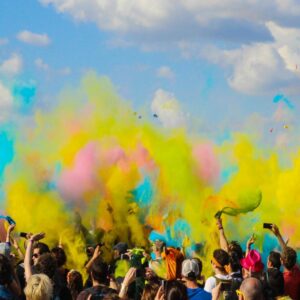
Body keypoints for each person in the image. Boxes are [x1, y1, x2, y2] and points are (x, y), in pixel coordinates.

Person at [270, 224, 300, 299]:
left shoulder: (281, 279)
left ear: (281, 261)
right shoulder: (297, 271)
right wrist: (278, 235)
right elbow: (287, 254)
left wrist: (278, 234)